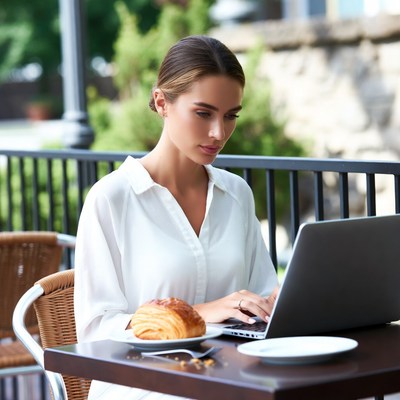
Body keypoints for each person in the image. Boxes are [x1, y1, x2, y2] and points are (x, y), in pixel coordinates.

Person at [74, 34, 279, 399]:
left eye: (230, 115)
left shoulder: (236, 195)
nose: (219, 133)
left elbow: (260, 292)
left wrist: (276, 303)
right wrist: (201, 313)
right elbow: (95, 330)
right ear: (161, 102)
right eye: (203, 113)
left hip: (229, 381)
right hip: (144, 389)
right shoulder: (111, 199)